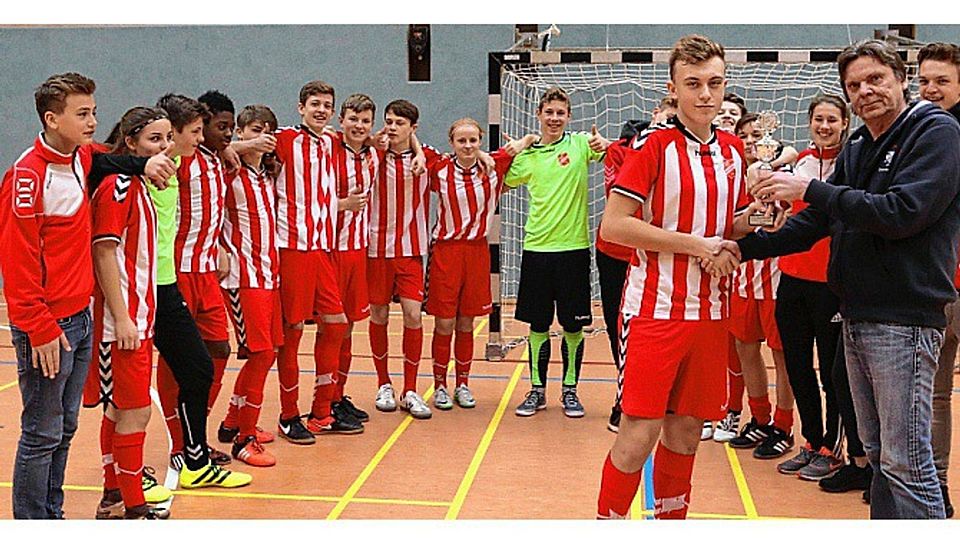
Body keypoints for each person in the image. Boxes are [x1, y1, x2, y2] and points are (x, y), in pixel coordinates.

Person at [737, 38, 960, 519]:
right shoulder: (860, 144)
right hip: (856, 315)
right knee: (880, 459)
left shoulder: (935, 131)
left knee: (908, 464)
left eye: (875, 79)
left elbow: (904, 212)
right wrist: (739, 246)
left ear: (901, 78)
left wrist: (811, 188)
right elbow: (817, 222)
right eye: (854, 85)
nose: (865, 92)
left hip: (904, 318)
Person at [596, 35, 773, 520]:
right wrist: (699, 246)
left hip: (712, 313)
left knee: (686, 434)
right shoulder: (653, 147)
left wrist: (753, 219)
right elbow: (614, 226)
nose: (705, 95)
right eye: (693, 84)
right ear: (673, 88)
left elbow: (729, 224)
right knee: (637, 436)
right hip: (655, 311)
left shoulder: (735, 151)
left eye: (714, 84)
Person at [0, 72, 176, 519]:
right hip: (49, 327)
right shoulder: (27, 178)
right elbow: (17, 266)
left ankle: (52, 512)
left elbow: (112, 157)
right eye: (83, 114)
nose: (94, 121)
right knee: (41, 432)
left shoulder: (79, 156)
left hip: (80, 318)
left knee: (66, 427)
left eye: (94, 112)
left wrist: (145, 163)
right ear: (51, 118)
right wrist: (39, 329)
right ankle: (32, 519)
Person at [151, 93, 251, 489]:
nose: (225, 134)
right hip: (176, 272)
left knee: (218, 352)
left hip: (207, 271)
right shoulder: (176, 161)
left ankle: (197, 434)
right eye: (212, 128)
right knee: (177, 363)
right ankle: (183, 445)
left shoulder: (213, 159)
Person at [505, 86, 610, 418]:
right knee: (537, 325)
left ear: (569, 117)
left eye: (560, 113)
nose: (554, 118)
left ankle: (570, 390)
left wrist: (604, 145)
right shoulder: (528, 157)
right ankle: (537, 390)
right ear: (539, 115)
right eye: (548, 112)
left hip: (574, 250)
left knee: (573, 326)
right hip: (536, 248)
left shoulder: (580, 144)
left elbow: (613, 155)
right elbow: (498, 178)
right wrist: (516, 147)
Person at [86, 107, 170, 519]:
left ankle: (113, 497)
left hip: (140, 317)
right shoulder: (118, 184)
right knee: (134, 412)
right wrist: (121, 318)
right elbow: (103, 249)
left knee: (121, 409)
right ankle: (132, 506)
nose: (165, 148)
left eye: (167, 138)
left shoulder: (137, 184)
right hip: (121, 323)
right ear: (132, 143)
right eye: (155, 140)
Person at [273, 81, 363, 441]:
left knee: (337, 324)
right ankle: (287, 415)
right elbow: (236, 145)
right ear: (300, 107)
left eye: (327, 105)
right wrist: (244, 145)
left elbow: (371, 139)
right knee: (292, 333)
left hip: (322, 248)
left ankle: (322, 412)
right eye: (315, 104)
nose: (321, 110)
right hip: (292, 248)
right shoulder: (284, 138)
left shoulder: (329, 141)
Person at [425, 118, 529, 409]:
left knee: (466, 321)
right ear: (452, 143)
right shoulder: (440, 168)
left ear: (481, 141)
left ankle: (462, 384)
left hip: (477, 251)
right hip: (447, 250)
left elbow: (530, 139)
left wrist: (520, 143)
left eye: (473, 141)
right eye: (462, 141)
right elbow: (414, 145)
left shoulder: (494, 165)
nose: (468, 146)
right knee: (444, 322)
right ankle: (440, 385)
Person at [773, 95, 850, 482]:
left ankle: (832, 449)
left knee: (832, 373)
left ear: (844, 123)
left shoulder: (852, 164)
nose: (824, 126)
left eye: (832, 120)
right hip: (792, 278)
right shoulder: (797, 163)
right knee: (797, 365)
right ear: (809, 123)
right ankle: (811, 439)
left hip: (830, 284)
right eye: (819, 119)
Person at [600, 97, 677, 433]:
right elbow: (624, 197)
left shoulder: (684, 153)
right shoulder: (621, 149)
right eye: (666, 114)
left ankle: (663, 398)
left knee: (659, 330)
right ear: (655, 114)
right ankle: (624, 399)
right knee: (619, 328)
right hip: (617, 252)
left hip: (658, 254)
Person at [725, 113, 797, 460]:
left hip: (776, 278)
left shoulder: (781, 172)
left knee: (782, 355)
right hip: (742, 278)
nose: (752, 141)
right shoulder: (731, 174)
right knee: (745, 347)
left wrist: (777, 161)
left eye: (758, 135)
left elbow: (772, 220)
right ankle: (760, 416)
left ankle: (783, 425)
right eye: (746, 136)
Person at [217, 104, 284, 467]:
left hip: (269, 274)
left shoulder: (265, 176)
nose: (264, 136)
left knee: (269, 351)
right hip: (242, 277)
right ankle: (243, 441)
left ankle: (234, 421)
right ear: (240, 133)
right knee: (259, 353)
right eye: (256, 129)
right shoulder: (228, 171)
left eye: (269, 130)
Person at [367, 99, 437, 420]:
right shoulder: (373, 155)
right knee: (378, 314)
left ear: (413, 128)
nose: (392, 128)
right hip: (376, 250)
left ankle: (410, 390)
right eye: (389, 121)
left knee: (413, 315)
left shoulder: (428, 159)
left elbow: (463, 161)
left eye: (399, 123)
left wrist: (420, 151)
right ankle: (384, 384)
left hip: (410, 251)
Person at [918, 41, 960, 518]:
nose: (931, 89)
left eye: (942, 81)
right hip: (937, 285)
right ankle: (936, 489)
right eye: (925, 80)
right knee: (933, 395)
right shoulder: (920, 133)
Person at [329, 93, 382, 425]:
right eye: (353, 119)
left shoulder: (375, 154)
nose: (358, 126)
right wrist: (341, 204)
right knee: (332, 329)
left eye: (365, 121)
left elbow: (405, 136)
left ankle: (338, 395)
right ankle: (325, 403)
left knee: (348, 328)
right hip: (330, 249)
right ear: (341, 121)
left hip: (358, 251)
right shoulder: (328, 149)